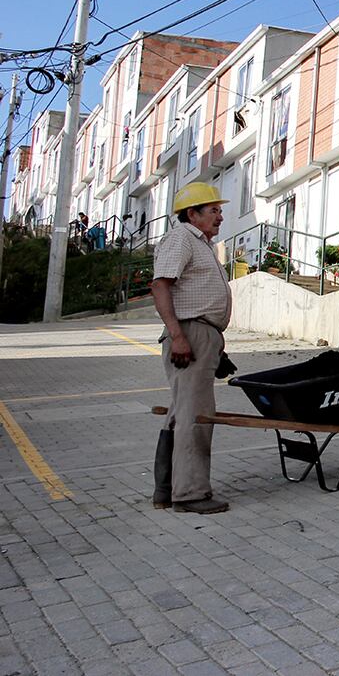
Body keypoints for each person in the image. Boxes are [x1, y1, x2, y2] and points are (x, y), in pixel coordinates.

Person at [148, 182, 232, 514]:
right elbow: (160, 285)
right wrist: (179, 336)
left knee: (181, 412)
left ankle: (166, 490)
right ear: (192, 215)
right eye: (213, 210)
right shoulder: (182, 238)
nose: (220, 216)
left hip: (200, 334)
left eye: (220, 210)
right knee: (196, 416)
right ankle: (191, 493)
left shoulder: (202, 244)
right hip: (189, 333)